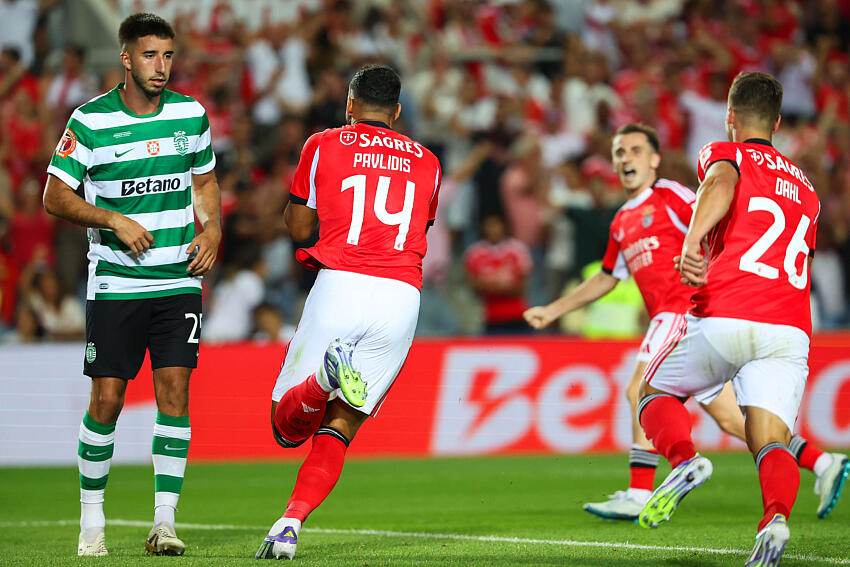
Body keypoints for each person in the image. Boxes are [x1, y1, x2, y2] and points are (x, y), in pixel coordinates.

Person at [525, 122, 847, 523]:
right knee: (736, 420)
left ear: (655, 159)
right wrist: (554, 310)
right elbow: (608, 276)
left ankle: (642, 490)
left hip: (687, 312)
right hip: (684, 320)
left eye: (636, 150)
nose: (627, 158)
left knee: (637, 391)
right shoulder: (621, 221)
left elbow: (720, 210)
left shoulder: (673, 196)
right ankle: (822, 462)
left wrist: (703, 259)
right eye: (620, 152)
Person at [635, 72, 848, 566]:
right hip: (790, 326)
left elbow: (721, 182)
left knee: (655, 393)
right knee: (771, 440)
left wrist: (691, 242)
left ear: (730, 116)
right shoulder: (808, 189)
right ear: (777, 122)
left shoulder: (725, 153)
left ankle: (686, 461)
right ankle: (774, 519)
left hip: (728, 310)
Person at [42, 13, 221, 557]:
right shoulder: (90, 121)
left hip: (177, 280)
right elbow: (55, 196)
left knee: (175, 392)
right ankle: (91, 520)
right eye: (149, 55)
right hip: (117, 283)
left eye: (167, 55)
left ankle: (164, 522)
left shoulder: (191, 114)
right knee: (108, 398)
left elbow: (205, 181)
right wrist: (113, 220)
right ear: (125, 58)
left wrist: (212, 227)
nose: (161, 66)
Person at [255, 64, 441, 560]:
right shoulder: (429, 161)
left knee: (284, 427)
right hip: (401, 296)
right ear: (398, 112)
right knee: (339, 428)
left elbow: (298, 228)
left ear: (350, 105)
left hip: (342, 283)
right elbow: (418, 223)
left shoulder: (323, 144)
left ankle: (320, 379)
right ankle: (290, 520)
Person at [465, 214, 533, 334]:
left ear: (504, 226)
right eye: (489, 225)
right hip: (490, 317)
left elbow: (521, 287)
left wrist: (492, 287)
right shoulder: (475, 253)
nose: (493, 229)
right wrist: (502, 286)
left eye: (496, 225)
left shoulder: (517, 250)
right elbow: (474, 287)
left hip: (517, 315)